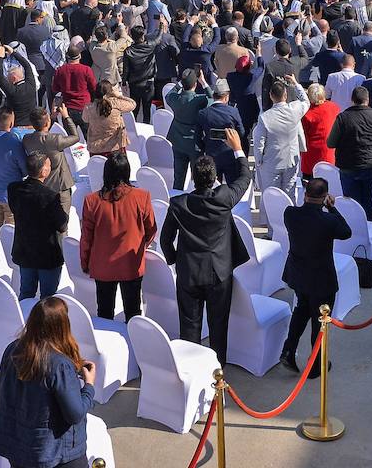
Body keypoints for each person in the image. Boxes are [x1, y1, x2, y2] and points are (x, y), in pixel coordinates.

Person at [160, 135, 251, 364]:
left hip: (189, 272)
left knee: (189, 327)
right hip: (219, 273)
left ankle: (193, 370)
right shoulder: (224, 198)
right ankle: (217, 371)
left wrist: (175, 260)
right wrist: (238, 149)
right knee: (218, 325)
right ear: (214, 178)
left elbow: (165, 240)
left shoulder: (179, 204)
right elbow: (245, 177)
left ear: (193, 177)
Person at [0, 297, 97, 468]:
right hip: (56, 454)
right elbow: (75, 414)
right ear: (62, 326)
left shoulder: (12, 349)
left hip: (19, 445)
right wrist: (89, 386)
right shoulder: (59, 365)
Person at [278, 176, 351, 375]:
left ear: (305, 194)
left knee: (301, 310)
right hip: (321, 279)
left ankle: (288, 349)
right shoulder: (328, 221)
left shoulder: (290, 213)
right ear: (325, 197)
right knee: (319, 321)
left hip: (298, 275)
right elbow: (346, 232)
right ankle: (316, 364)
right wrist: (332, 208)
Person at [80, 152, 155, 319]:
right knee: (133, 312)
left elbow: (86, 237)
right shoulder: (142, 197)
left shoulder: (92, 201)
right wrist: (140, 245)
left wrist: (85, 262)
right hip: (131, 263)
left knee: (104, 313)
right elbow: (151, 229)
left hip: (102, 265)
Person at [7, 151, 72, 300]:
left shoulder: (14, 189)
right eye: (48, 165)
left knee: (26, 293)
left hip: (25, 250)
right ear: (43, 171)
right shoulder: (50, 196)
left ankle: (25, 314)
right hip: (46, 254)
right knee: (48, 298)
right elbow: (62, 225)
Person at [326, 85, 372, 220]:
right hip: (369, 164)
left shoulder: (343, 117)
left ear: (352, 100)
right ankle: (370, 226)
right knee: (367, 199)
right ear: (367, 100)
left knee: (351, 202)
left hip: (348, 166)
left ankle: (354, 228)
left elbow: (331, 143)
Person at [252, 74, 310, 201]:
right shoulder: (295, 109)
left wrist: (259, 161)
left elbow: (259, 143)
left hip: (271, 162)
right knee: (289, 195)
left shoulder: (264, 117)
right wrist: (295, 84)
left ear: (271, 96)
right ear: (286, 95)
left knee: (271, 197)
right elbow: (306, 101)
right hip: (291, 160)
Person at [0, 106, 30, 238]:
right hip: (11, 195)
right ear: (12, 123)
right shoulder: (15, 143)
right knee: (12, 234)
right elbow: (25, 170)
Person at [164, 69, 209, 190]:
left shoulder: (175, 99)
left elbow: (169, 95)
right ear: (196, 84)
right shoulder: (199, 100)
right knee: (197, 179)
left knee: (178, 178)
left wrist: (181, 83)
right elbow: (212, 98)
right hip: (194, 143)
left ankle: (176, 198)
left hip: (178, 142)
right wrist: (204, 82)